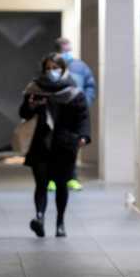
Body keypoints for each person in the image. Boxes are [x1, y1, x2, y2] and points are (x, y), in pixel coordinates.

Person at [19, 53, 91, 238]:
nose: (52, 71)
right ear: (43, 70)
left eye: (55, 67)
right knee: (41, 183)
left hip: (64, 144)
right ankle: (39, 218)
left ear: (63, 69)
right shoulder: (34, 89)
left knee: (61, 185)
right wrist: (32, 105)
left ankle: (60, 223)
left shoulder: (73, 91)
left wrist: (83, 136)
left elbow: (82, 116)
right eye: (48, 68)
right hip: (41, 143)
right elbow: (24, 113)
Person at [48, 37, 96, 192]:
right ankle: (52, 179)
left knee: (72, 147)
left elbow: (90, 86)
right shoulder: (51, 67)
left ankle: (71, 178)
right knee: (53, 148)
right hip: (55, 113)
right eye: (65, 50)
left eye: (69, 50)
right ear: (58, 51)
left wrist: (85, 102)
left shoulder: (80, 67)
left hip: (74, 113)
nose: (68, 53)